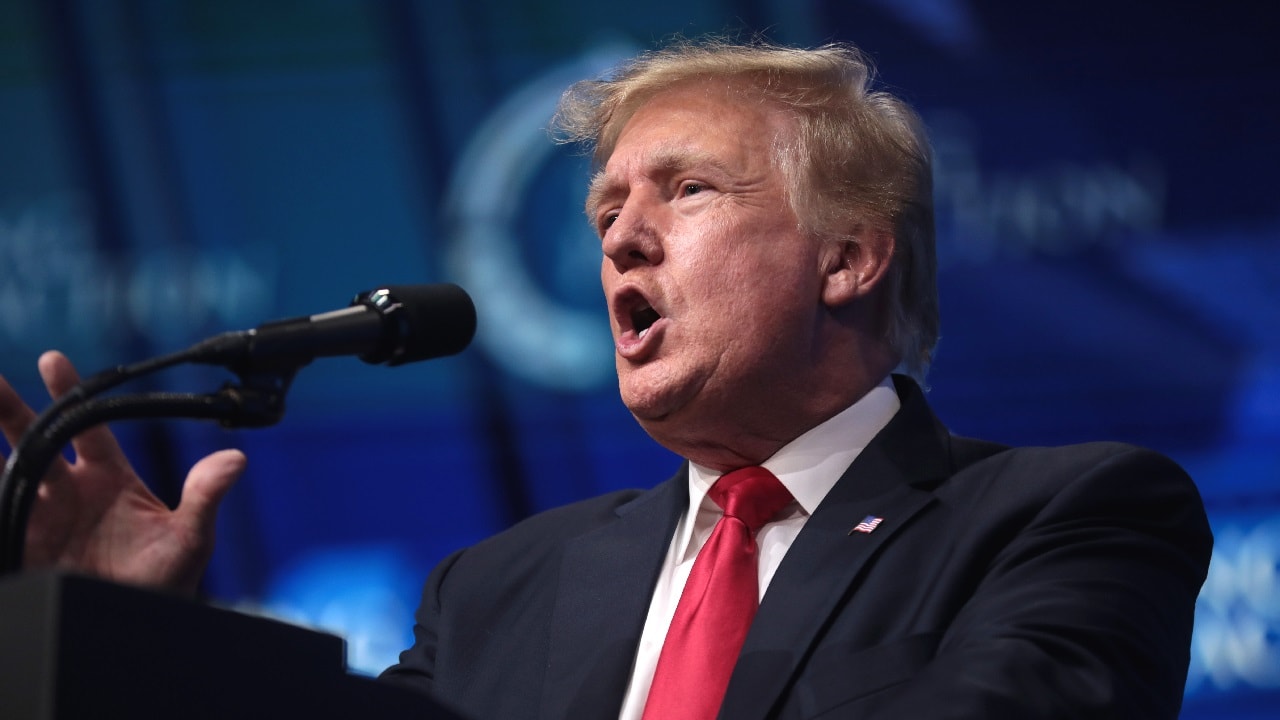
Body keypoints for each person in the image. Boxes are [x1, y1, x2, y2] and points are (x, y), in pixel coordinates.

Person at [0, 38, 1211, 719]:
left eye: (684, 192)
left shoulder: (1068, 515)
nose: (619, 241)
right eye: (604, 212)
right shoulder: (499, 587)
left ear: (847, 256)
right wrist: (141, 644)